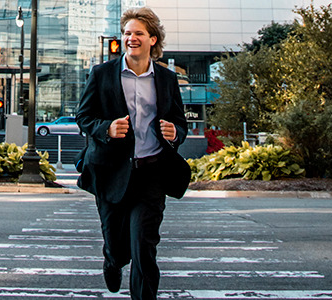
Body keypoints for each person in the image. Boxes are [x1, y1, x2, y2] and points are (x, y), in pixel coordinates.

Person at [75, 7, 189, 300]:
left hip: (151, 172)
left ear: (153, 39)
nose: (131, 38)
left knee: (144, 248)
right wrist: (106, 129)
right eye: (127, 33)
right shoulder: (102, 74)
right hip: (111, 171)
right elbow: (83, 116)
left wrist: (175, 133)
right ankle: (112, 260)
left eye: (138, 33)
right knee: (117, 244)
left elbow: (180, 122)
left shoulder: (166, 79)